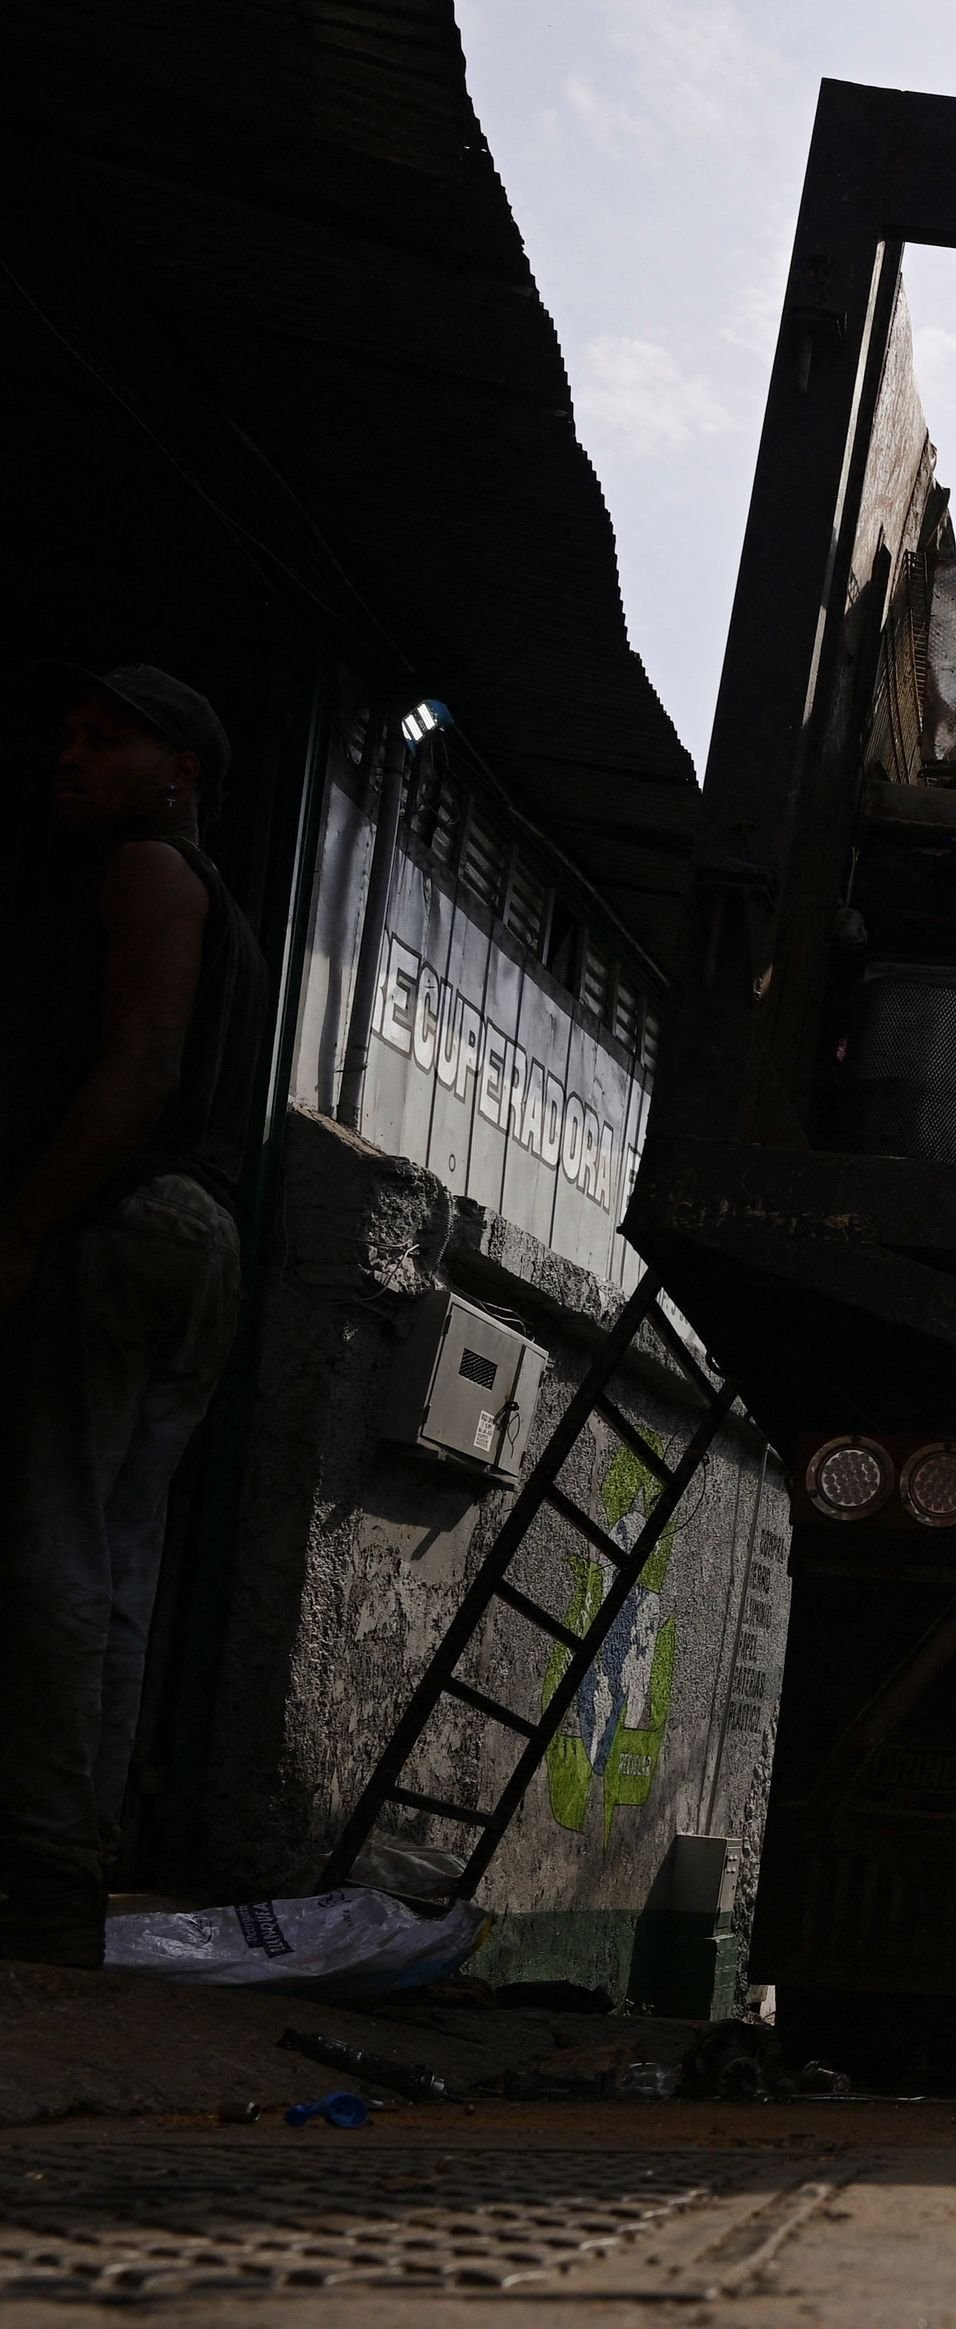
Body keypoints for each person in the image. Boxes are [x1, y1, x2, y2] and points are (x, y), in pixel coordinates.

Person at [0, 664, 259, 1966]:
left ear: (180, 775)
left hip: (131, 1220)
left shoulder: (149, 874)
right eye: (70, 731)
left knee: (53, 1535)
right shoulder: (213, 899)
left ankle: (41, 1858)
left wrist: (32, 1217)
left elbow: (140, 1062)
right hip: (201, 1236)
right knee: (116, 1555)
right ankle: (70, 1859)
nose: (72, 754)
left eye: (106, 740)